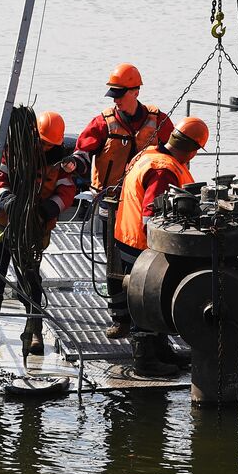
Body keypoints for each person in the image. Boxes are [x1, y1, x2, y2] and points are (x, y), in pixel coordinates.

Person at [72, 63, 175, 339]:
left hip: (146, 204)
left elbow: (175, 153)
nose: (115, 99)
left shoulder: (158, 120)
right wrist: (76, 164)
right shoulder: (102, 122)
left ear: (135, 91)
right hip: (112, 204)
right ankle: (121, 319)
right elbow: (84, 151)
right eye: (113, 94)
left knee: (149, 264)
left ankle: (148, 316)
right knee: (114, 264)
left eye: (120, 93)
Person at [0, 110, 85, 354]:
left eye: (51, 145)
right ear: (34, 135)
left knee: (30, 278)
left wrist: (49, 208)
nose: (46, 148)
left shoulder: (60, 160)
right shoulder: (10, 150)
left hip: (32, 228)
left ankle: (34, 327)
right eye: (43, 143)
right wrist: (9, 201)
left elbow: (67, 190)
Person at [113, 116, 210, 377]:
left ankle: (161, 350)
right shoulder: (163, 169)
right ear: (192, 149)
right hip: (143, 245)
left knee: (153, 300)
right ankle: (145, 361)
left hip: (128, 238)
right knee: (145, 300)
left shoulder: (151, 154)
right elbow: (150, 215)